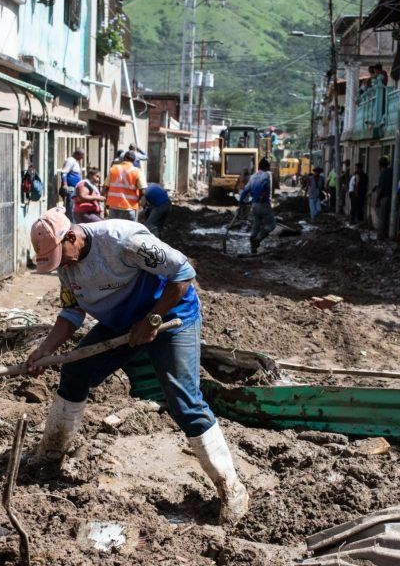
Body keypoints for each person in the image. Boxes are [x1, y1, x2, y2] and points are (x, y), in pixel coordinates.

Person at [25, 207, 249, 524]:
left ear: (72, 237)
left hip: (172, 316)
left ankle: (232, 489)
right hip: (122, 323)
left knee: (183, 400)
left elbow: (183, 274)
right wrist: (45, 349)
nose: (64, 266)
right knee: (75, 372)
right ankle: (50, 454)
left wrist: (153, 319)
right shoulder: (66, 263)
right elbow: (72, 313)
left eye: (63, 257)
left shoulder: (123, 240)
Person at [238, 158, 275, 254]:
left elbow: (245, 190)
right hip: (264, 203)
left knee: (256, 224)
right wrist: (262, 196)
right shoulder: (267, 175)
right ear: (267, 167)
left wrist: (241, 202)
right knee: (271, 225)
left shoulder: (253, 176)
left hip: (254, 205)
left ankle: (253, 246)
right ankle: (258, 239)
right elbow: (264, 187)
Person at [104, 150, 147, 220]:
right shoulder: (137, 171)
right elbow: (143, 191)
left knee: (114, 229)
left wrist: (106, 202)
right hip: (130, 207)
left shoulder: (113, 169)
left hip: (114, 206)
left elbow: (106, 187)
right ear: (134, 160)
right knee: (129, 229)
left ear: (124, 158)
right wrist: (139, 201)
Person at [60, 148, 85, 220]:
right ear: (77, 154)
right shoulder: (70, 161)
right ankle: (70, 223)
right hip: (71, 188)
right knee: (70, 208)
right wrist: (65, 184)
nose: (82, 158)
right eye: (81, 156)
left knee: (73, 208)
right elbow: (64, 173)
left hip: (75, 188)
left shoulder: (74, 161)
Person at [373, 156, 392, 239]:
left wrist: (377, 200)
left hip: (384, 198)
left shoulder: (383, 174)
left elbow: (381, 189)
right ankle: (387, 234)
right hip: (392, 198)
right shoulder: (391, 172)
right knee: (388, 218)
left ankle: (381, 236)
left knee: (382, 218)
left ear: (380, 165)